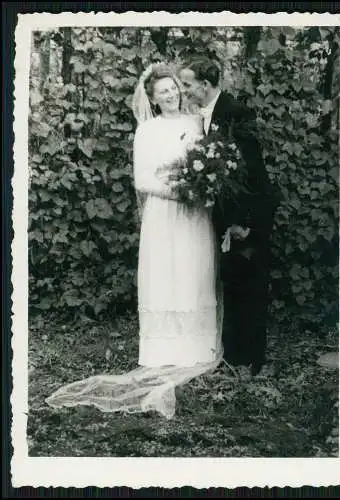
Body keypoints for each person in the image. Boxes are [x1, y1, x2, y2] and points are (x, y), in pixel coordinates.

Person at [45, 63, 223, 419]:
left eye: (174, 89)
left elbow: (211, 163)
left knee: (194, 270)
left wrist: (200, 188)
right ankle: (162, 350)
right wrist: (179, 191)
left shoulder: (197, 123)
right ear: (153, 100)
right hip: (165, 212)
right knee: (166, 272)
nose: (171, 95)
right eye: (163, 93)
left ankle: (197, 344)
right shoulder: (147, 131)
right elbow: (142, 180)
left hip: (195, 214)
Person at [179, 58, 282, 375]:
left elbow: (251, 174)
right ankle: (236, 357)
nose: (185, 91)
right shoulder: (204, 117)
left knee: (251, 288)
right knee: (234, 285)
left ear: (205, 85)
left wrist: (245, 223)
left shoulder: (235, 113)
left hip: (250, 217)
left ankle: (253, 361)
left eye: (188, 84)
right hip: (228, 218)